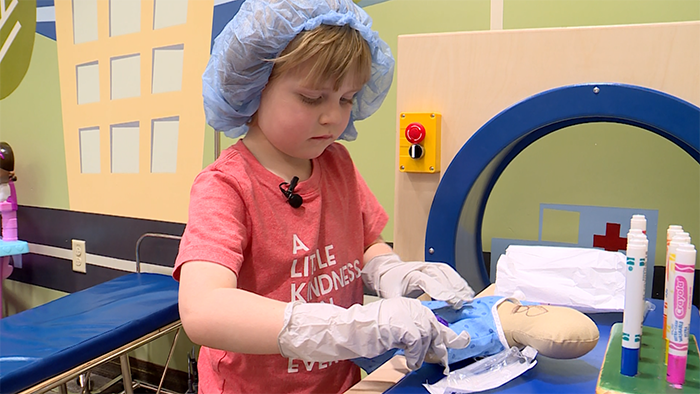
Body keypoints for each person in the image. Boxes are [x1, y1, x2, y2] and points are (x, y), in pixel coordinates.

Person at [174, 1, 475, 393]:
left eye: (346, 99)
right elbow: (203, 310)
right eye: (313, 98)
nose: (333, 116)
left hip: (336, 384)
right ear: (254, 85)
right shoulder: (226, 186)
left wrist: (390, 271)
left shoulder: (336, 164)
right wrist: (351, 326)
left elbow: (366, 241)